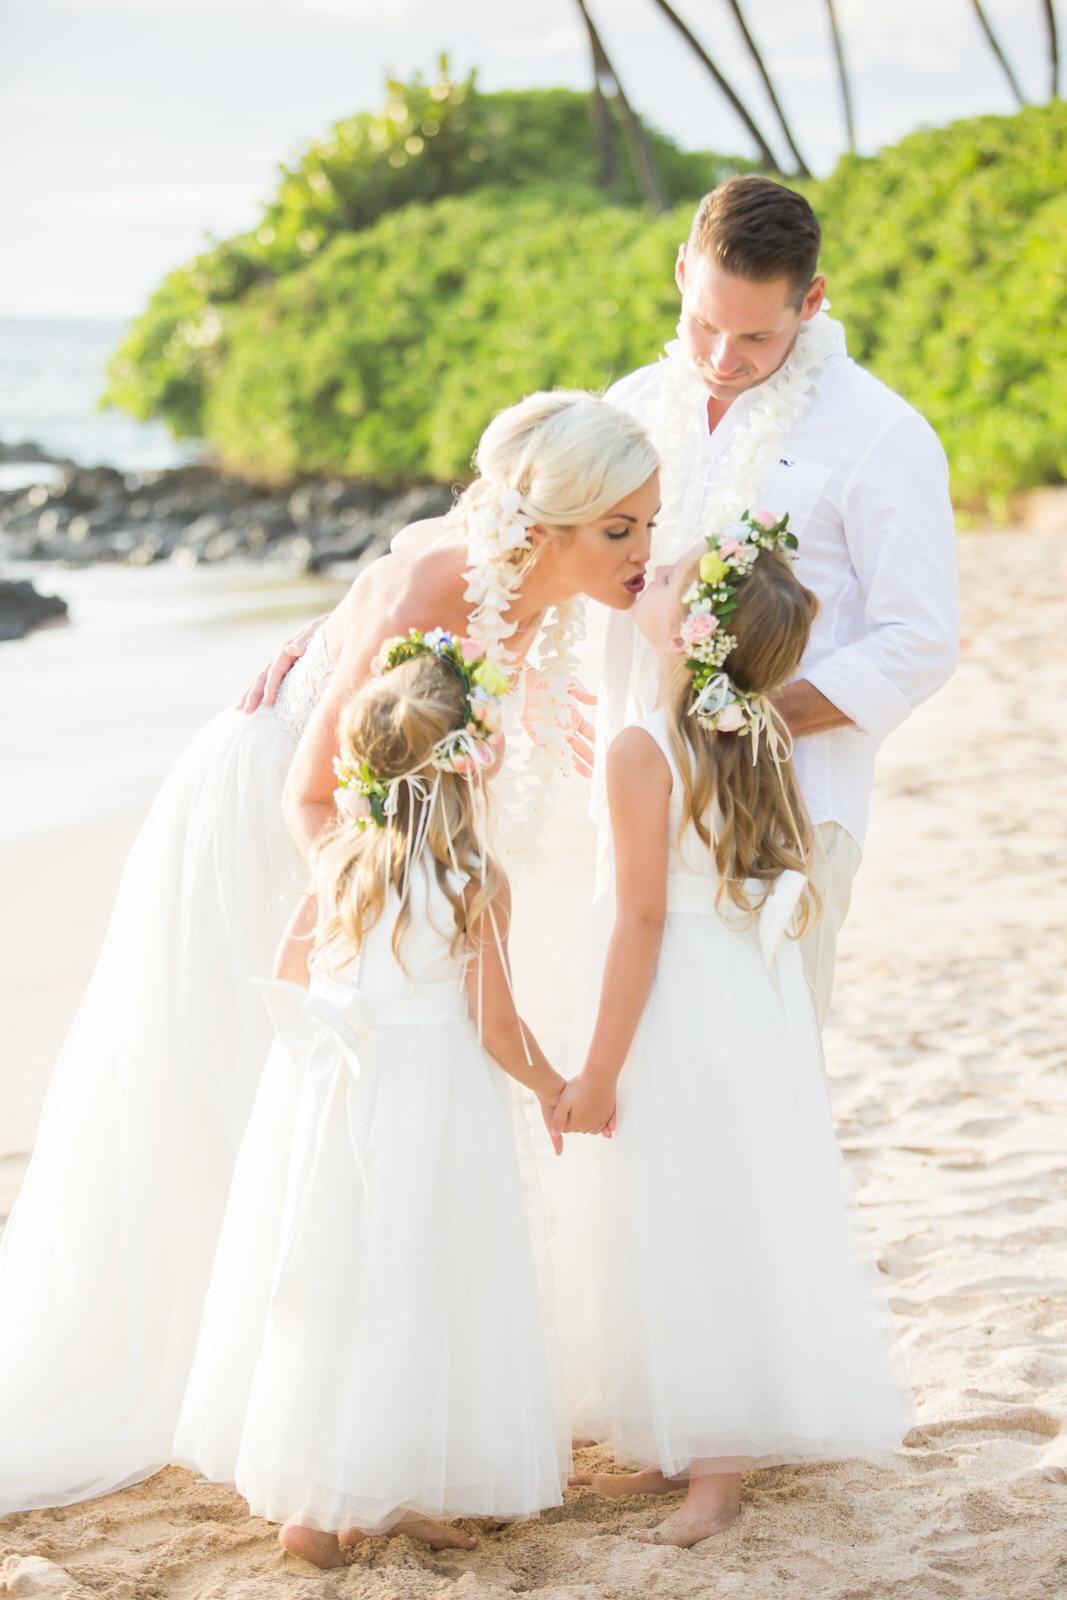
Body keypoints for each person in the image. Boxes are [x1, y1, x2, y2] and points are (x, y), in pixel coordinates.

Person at [0, 391, 659, 1515]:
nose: (643, 550)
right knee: (263, 1083)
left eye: (649, 522)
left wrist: (322, 628)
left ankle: (340, 1395)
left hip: (394, 825)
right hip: (285, 820)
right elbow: (319, 780)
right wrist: (386, 905)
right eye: (619, 531)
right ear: (540, 529)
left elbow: (398, 549)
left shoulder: (526, 574)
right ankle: (259, 1383)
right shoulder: (441, 587)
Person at [552, 515, 913, 1547]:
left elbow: (639, 917)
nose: (646, 576)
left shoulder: (643, 745)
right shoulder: (752, 728)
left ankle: (711, 1479)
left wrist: (599, 1067)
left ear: (690, 626)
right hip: (743, 999)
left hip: (672, 1000)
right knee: (716, 1209)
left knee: (684, 1220)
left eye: (662, 575)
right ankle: (685, 1448)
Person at [176, 634, 572, 1566]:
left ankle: (331, 1505)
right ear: (470, 762)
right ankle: (367, 1493)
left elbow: (287, 979)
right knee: (417, 1280)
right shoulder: (475, 882)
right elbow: (496, 1026)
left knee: (339, 1280)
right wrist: (557, 1089)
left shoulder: (342, 863)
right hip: (432, 1101)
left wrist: (329, 1071)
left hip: (339, 1093)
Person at [596, 174, 958, 1025]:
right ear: (681, 270)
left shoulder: (881, 433)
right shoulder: (629, 407)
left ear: (813, 300)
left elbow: (920, 640)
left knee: (765, 1065)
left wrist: (728, 729)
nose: (722, 359)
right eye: (704, 325)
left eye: (755, 335)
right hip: (626, 802)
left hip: (789, 811)